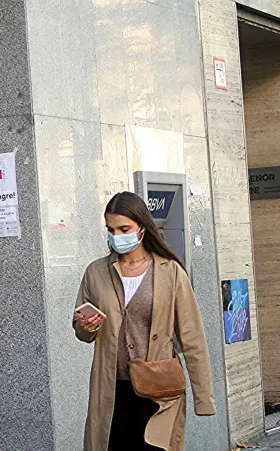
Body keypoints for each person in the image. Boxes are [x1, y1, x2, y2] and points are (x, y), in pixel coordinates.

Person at [72, 192, 215, 451]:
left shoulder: (170, 272)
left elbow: (192, 337)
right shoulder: (96, 272)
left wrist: (203, 397)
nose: (117, 236)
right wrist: (86, 327)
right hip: (112, 388)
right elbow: (81, 331)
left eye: (124, 229)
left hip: (158, 388)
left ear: (142, 227)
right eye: (111, 230)